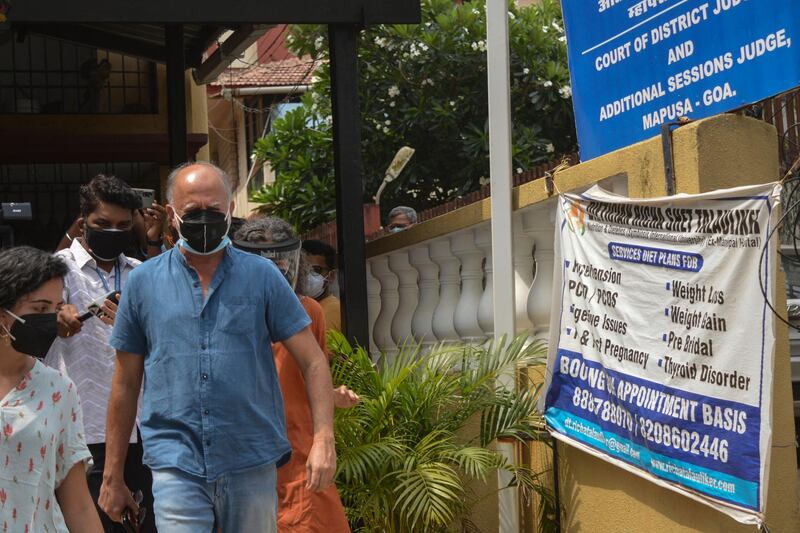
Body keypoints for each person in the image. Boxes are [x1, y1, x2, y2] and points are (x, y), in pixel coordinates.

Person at [99, 162, 336, 533]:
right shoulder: (143, 283)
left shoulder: (262, 278)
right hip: (176, 465)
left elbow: (313, 362)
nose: (204, 219)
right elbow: (125, 383)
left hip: (251, 461)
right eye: (193, 212)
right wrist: (113, 474)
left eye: (214, 210)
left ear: (229, 211)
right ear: (172, 214)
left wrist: (324, 439)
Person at [47, 174, 158, 532]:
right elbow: (30, 321)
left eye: (124, 225)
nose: (114, 231)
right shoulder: (56, 271)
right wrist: (56, 317)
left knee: (145, 523)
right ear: (83, 224)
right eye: (102, 224)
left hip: (141, 426)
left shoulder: (142, 273)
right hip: (84, 427)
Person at [234, 217, 358, 533]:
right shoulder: (226, 312)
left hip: (300, 452)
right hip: (243, 454)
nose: (275, 267)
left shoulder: (309, 311)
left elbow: (310, 374)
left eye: (282, 258)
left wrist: (330, 400)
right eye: (264, 259)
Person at [0, 246, 104, 532]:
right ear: (3, 313)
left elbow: (78, 503)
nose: (51, 319)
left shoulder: (57, 389)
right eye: (40, 309)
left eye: (57, 308)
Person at [301, 239, 341, 331]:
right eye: (303, 269)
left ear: (331, 276)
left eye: (316, 270)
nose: (308, 275)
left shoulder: (333, 310)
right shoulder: (298, 307)